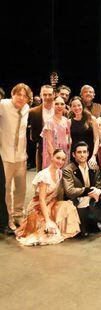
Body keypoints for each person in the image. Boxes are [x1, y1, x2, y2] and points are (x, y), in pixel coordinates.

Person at [15, 149, 80, 246]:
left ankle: (60, 227)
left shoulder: (59, 173)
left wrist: (52, 207)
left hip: (51, 203)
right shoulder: (44, 175)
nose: (60, 162)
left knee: (68, 206)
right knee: (49, 232)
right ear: (52, 157)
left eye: (63, 159)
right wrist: (48, 220)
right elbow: (41, 199)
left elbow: (56, 196)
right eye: (58, 158)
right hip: (38, 207)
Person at [62, 142, 101, 237]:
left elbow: (100, 186)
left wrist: (99, 191)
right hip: (77, 206)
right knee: (82, 234)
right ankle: (88, 226)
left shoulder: (94, 167)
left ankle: (92, 224)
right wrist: (89, 190)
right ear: (74, 154)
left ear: (88, 153)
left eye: (84, 152)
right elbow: (69, 191)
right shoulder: (68, 170)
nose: (82, 155)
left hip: (93, 204)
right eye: (79, 152)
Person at [0, 83, 32, 231]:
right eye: (18, 94)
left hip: (21, 157)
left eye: (24, 95)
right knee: (6, 189)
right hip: (5, 156)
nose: (21, 97)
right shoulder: (3, 105)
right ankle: (8, 218)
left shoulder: (26, 109)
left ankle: (18, 215)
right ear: (12, 94)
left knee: (20, 188)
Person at [29, 84, 55, 171]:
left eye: (50, 94)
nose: (47, 97)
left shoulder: (63, 111)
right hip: (41, 149)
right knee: (41, 176)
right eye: (44, 94)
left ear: (54, 95)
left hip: (59, 148)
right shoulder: (33, 112)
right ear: (40, 95)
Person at [41, 96, 70, 168]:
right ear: (53, 105)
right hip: (53, 154)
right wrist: (54, 158)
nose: (59, 106)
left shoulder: (66, 121)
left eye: (62, 104)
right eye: (57, 104)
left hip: (64, 153)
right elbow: (48, 143)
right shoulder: (49, 122)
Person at [68, 96, 99, 165]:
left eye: (79, 105)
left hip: (90, 155)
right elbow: (70, 142)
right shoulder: (69, 122)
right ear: (71, 108)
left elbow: (96, 139)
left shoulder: (92, 119)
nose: (77, 108)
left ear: (82, 106)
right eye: (74, 106)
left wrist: (94, 156)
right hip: (76, 156)